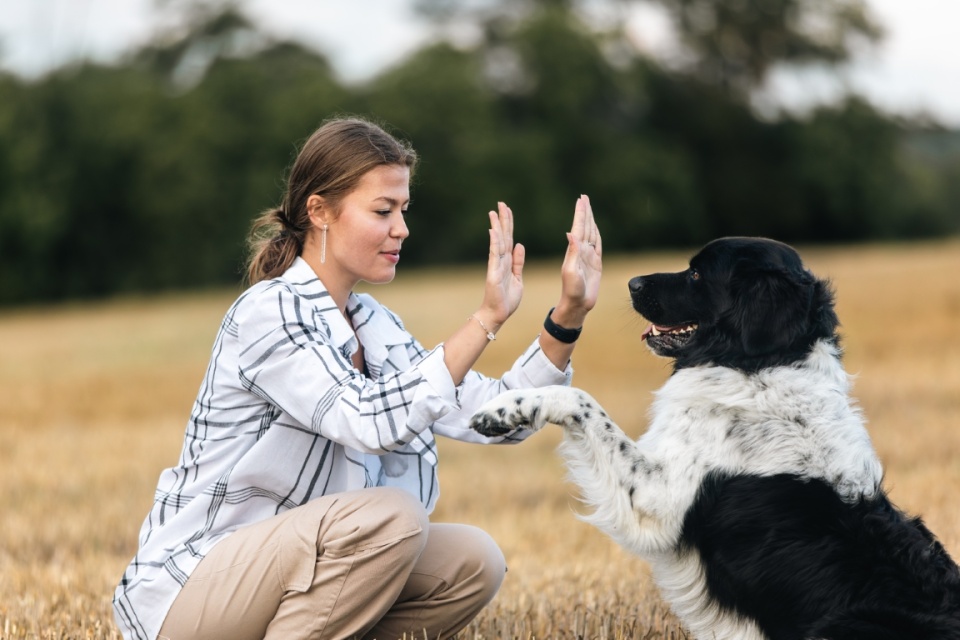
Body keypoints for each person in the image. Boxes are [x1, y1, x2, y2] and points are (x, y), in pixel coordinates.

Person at [113, 116, 602, 640]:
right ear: (319, 212)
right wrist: (485, 320)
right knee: (393, 518)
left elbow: (494, 417)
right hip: (194, 590)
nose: (402, 229)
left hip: (297, 575)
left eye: (404, 210)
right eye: (383, 211)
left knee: (472, 562)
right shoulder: (269, 311)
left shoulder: (374, 324)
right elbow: (368, 420)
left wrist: (567, 315)